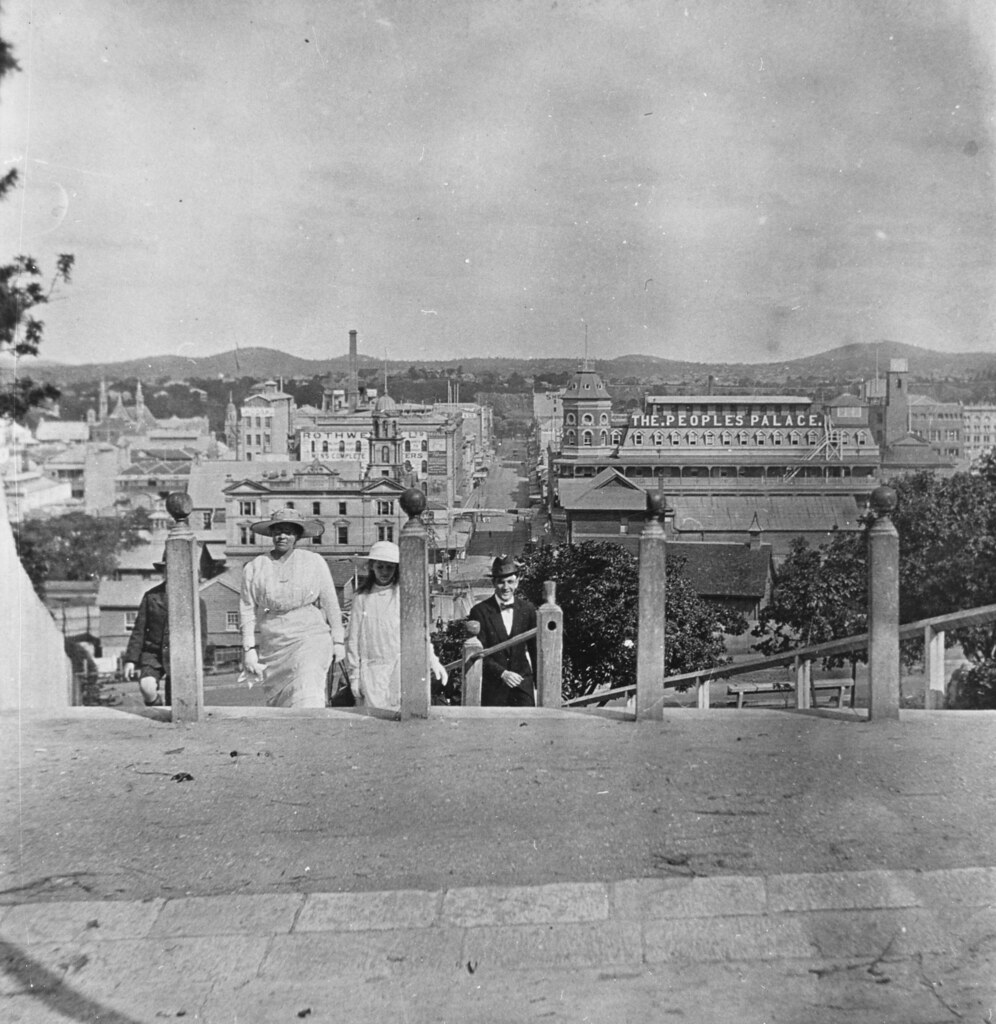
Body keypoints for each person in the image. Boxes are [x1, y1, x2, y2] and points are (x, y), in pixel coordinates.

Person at [240, 506, 345, 708]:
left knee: (308, 687)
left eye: (288, 531)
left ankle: (312, 733)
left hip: (310, 635)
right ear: (271, 533)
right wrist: (248, 649)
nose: (282, 536)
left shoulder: (314, 561)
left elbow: (331, 602)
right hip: (274, 641)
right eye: (278, 531)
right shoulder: (255, 566)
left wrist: (338, 641)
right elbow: (246, 609)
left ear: (297, 535)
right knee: (283, 702)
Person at [345, 540, 447, 711]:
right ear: (372, 567)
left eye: (389, 567)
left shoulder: (404, 594)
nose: (384, 572)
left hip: (399, 668)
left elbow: (417, 633)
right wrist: (354, 676)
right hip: (372, 670)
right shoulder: (362, 597)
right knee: (375, 722)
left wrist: (432, 660)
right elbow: (353, 638)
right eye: (380, 567)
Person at [123, 550, 208, 707]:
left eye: (177, 569)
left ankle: (171, 724)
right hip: (153, 653)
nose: (172, 573)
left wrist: (198, 662)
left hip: (182, 655)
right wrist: (130, 660)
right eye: (168, 569)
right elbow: (139, 630)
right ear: (163, 571)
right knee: (146, 687)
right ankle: (157, 708)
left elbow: (201, 636)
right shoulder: (151, 597)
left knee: (177, 701)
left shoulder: (195, 601)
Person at [468, 554, 537, 707]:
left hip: (522, 685)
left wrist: (540, 685)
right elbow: (477, 653)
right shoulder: (479, 612)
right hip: (494, 688)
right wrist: (502, 673)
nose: (506, 587)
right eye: (501, 582)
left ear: (517, 582)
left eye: (510, 582)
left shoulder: (528, 609)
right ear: (494, 583)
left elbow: (536, 650)